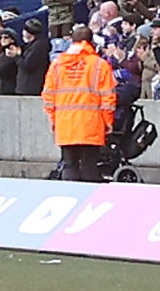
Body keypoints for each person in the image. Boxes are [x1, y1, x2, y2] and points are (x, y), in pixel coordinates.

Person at [42, 27, 118, 181]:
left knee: (69, 164)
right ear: (90, 42)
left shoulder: (57, 64)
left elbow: (48, 96)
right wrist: (108, 122)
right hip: (91, 123)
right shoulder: (99, 65)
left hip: (65, 123)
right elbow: (108, 98)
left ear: (71, 41)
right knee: (89, 165)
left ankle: (71, 198)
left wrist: (53, 119)